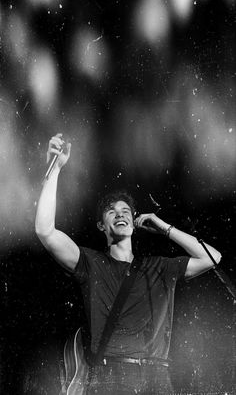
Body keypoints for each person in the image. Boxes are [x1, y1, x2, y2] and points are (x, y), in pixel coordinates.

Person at [35, 133, 222, 395]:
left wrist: (164, 227)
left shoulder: (159, 267)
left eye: (125, 211)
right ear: (102, 225)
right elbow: (45, 231)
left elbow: (212, 258)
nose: (120, 214)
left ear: (134, 223)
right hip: (113, 377)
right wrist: (56, 168)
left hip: (159, 378)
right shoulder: (91, 263)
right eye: (111, 211)